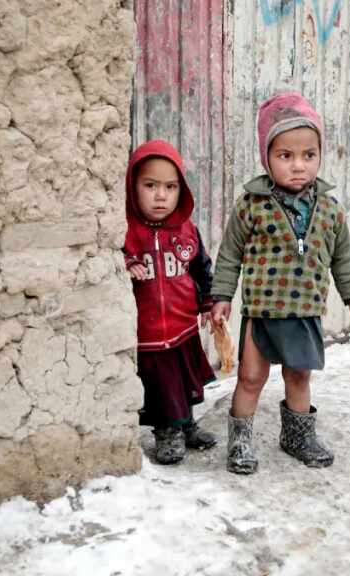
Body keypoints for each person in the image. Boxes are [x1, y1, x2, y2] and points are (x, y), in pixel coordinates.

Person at [210, 91, 350, 475]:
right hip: (262, 312)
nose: (298, 166)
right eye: (285, 156)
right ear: (267, 157)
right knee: (250, 377)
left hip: (304, 311)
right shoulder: (252, 204)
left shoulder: (330, 210)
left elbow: (343, 258)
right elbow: (231, 253)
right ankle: (240, 440)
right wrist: (221, 296)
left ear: (319, 155)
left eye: (308, 155)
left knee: (299, 375)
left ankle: (297, 436)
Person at [123, 139, 218, 465]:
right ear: (133, 187)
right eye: (150, 185)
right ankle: (167, 432)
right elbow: (104, 264)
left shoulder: (186, 229)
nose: (161, 195)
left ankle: (186, 425)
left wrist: (207, 303)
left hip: (182, 326)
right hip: (148, 333)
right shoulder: (125, 232)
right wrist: (124, 264)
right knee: (161, 388)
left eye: (170, 186)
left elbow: (202, 267)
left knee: (183, 380)